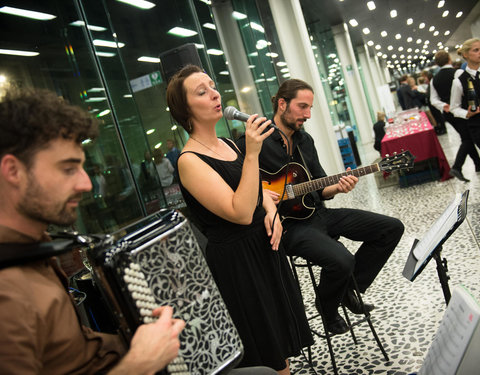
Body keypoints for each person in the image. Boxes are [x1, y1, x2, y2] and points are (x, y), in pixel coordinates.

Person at [0, 88, 276, 375]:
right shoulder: (7, 292)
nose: (86, 184)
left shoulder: (35, 251)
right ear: (13, 171)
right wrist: (138, 363)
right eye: (68, 168)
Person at [166, 65, 313, 374]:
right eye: (201, 92)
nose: (215, 94)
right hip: (239, 264)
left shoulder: (229, 145)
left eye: (212, 85)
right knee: (267, 354)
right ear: (185, 109)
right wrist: (252, 154)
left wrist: (272, 212)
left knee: (282, 348)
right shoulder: (189, 161)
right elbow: (240, 211)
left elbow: (259, 192)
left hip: (263, 249)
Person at [237, 79, 404, 335]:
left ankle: (348, 290)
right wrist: (265, 197)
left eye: (310, 108)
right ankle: (327, 308)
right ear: (282, 104)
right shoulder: (254, 142)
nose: (308, 114)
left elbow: (320, 186)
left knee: (391, 228)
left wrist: (338, 187)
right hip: (290, 226)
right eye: (302, 106)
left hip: (319, 214)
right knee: (342, 260)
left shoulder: (305, 141)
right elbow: (240, 187)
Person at [430, 49, 480, 182]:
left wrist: (444, 106)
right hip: (463, 111)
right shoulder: (458, 73)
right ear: (449, 59)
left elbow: (433, 99)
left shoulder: (434, 80)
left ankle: (477, 164)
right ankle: (457, 166)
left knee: (466, 137)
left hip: (449, 114)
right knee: (468, 138)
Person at [450, 38, 480, 159]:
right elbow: (454, 108)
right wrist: (466, 114)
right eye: (476, 50)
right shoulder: (459, 82)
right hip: (478, 126)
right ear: (465, 54)